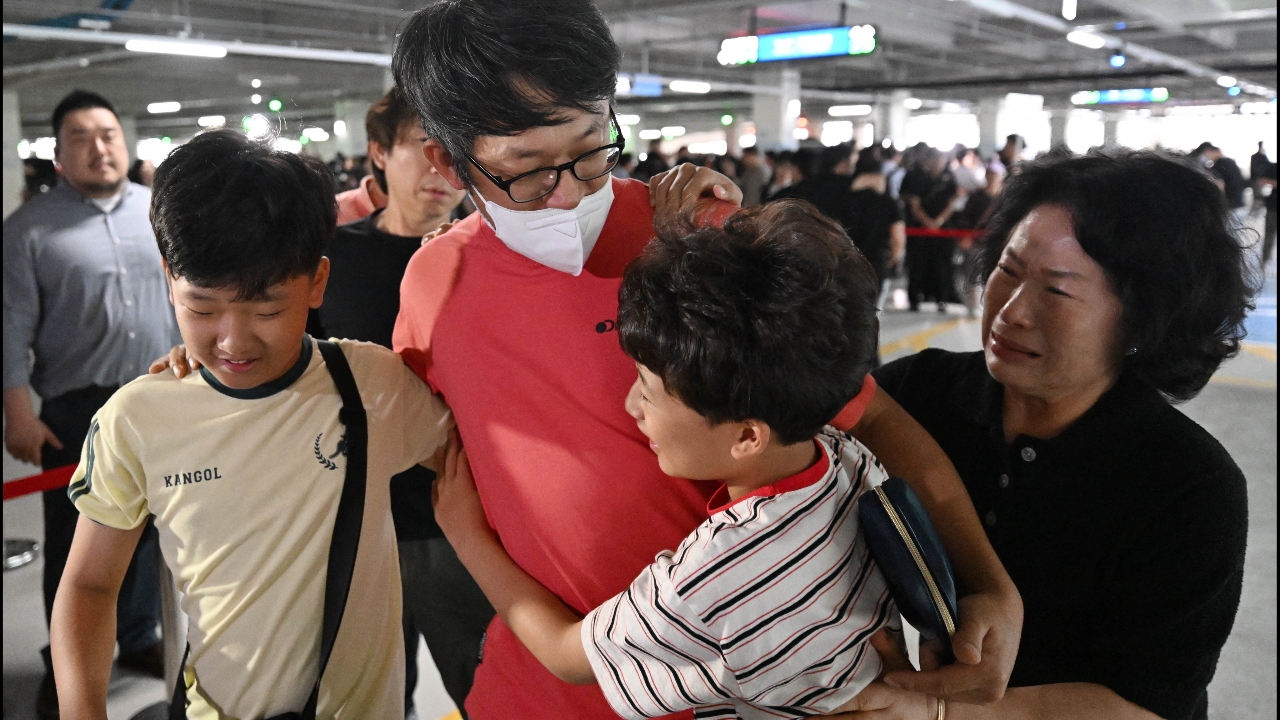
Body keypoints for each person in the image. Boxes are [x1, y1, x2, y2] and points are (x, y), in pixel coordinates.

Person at [391, 1, 1021, 718]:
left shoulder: (703, 241)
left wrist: (985, 584)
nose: (567, 194)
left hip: (754, 695)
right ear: (447, 159)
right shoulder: (433, 285)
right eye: (526, 171)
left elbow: (871, 416)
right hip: (535, 688)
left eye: (593, 148)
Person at [433, 200, 916, 719]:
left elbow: (567, 655)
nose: (630, 406)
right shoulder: (845, 458)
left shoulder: (717, 577)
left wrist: (465, 535)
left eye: (647, 389)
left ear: (747, 436)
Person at [50, 128, 454, 718]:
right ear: (168, 276)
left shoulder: (370, 385)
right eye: (202, 308)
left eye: (267, 309)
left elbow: (473, 464)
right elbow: (89, 584)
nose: (234, 341)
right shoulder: (137, 419)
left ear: (317, 282)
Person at [838, 151, 1254, 720]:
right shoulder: (920, 393)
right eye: (1007, 271)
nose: (1010, 311)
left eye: (1057, 292)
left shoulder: (1189, 485)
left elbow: (1143, 704)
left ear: (1143, 321)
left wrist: (939, 714)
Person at [304, 86, 488, 718]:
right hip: (355, 520)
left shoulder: (492, 261)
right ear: (379, 153)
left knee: (488, 690)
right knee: (369, 700)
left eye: (458, 152)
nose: (443, 168)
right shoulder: (334, 258)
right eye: (422, 146)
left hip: (462, 520)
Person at [4, 89, 173, 719]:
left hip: (161, 397)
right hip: (79, 410)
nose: (99, 147)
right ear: (58, 152)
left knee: (152, 534)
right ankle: (67, 658)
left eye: (108, 133)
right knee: (78, 542)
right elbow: (10, 325)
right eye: (81, 136)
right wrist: (16, 411)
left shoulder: (162, 212)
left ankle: (138, 637)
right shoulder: (28, 229)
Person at [900, 146, 964, 312]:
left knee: (942, 265)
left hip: (942, 230)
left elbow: (952, 202)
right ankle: (914, 298)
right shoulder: (915, 176)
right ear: (927, 161)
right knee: (918, 265)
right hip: (919, 230)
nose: (938, 163)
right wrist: (928, 223)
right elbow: (914, 205)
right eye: (935, 160)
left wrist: (939, 221)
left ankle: (941, 298)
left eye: (941, 160)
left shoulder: (948, 177)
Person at [847, 154, 906, 310]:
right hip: (876, 265)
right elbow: (898, 240)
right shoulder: (889, 203)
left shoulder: (842, 201)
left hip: (846, 265)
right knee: (871, 313)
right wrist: (891, 261)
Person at [1194, 142, 1248, 218]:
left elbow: (1219, 185)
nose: (1203, 157)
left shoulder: (1220, 164)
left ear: (1209, 151)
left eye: (1203, 154)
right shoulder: (1230, 162)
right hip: (1239, 207)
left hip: (1229, 210)